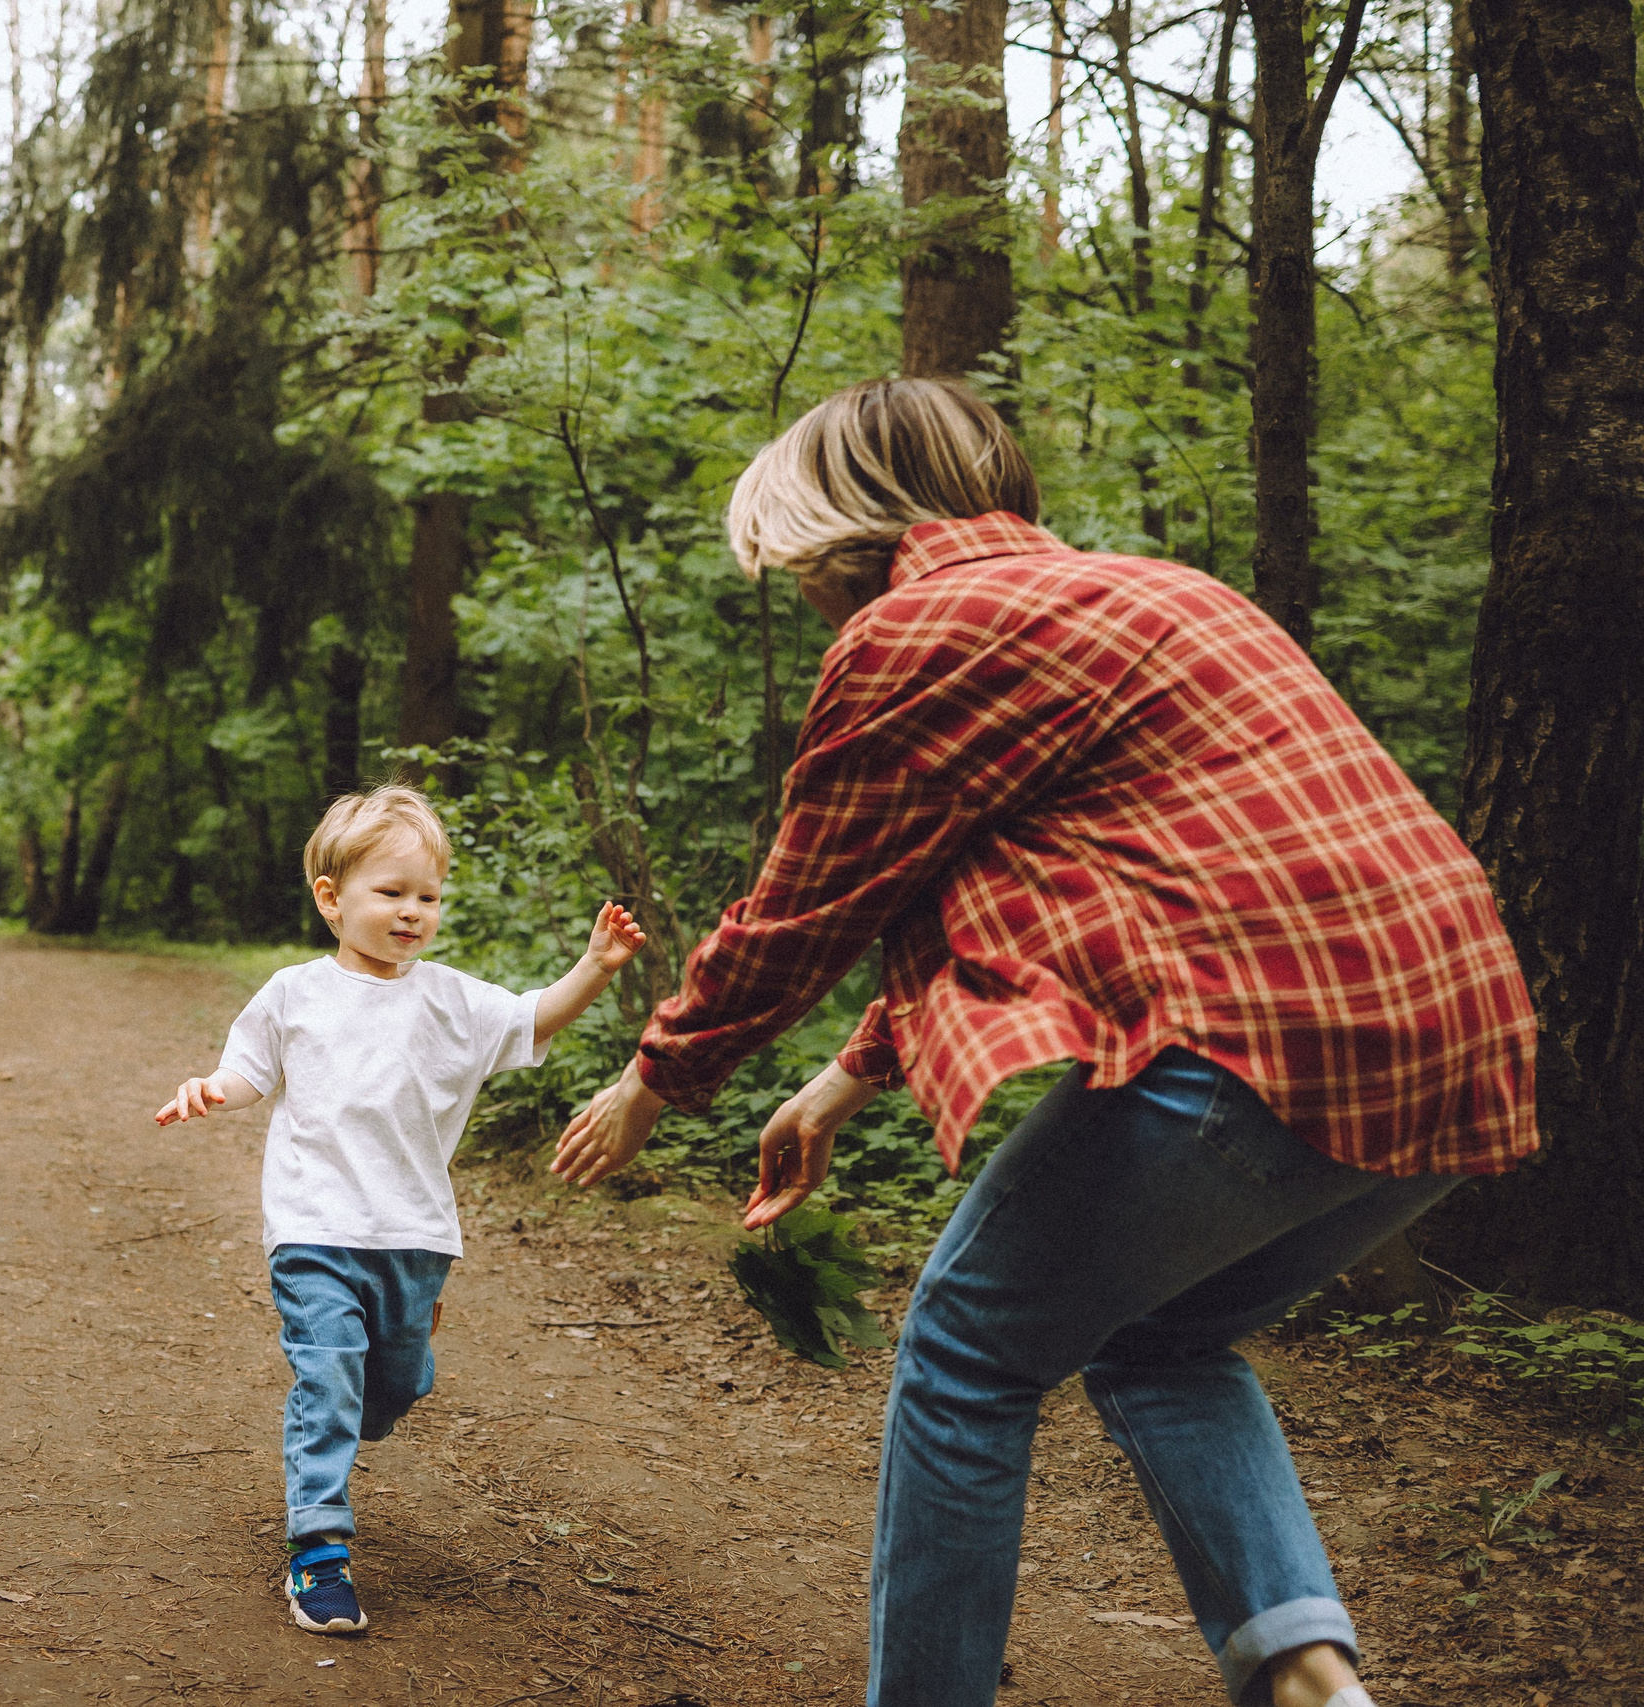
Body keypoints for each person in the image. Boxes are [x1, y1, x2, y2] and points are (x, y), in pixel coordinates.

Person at [548, 378, 1536, 1707]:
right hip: (1458, 1034)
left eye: (787, 563)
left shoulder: (911, 632)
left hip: (1249, 1042)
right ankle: (1314, 1684)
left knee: (965, 1350)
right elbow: (1063, 886)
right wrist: (845, 1082)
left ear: (836, 529)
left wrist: (650, 1078)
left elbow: (804, 909)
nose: (795, 592)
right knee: (1158, 1339)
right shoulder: (1157, 592)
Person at [154, 782, 648, 1636]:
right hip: (314, 1228)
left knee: (389, 1382)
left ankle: (404, 1357)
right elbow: (249, 1070)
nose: (413, 911)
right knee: (329, 1376)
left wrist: (595, 967)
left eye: (428, 895)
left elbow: (533, 1018)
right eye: (392, 892)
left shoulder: (451, 1000)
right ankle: (319, 1552)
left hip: (414, 1233)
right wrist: (212, 1090)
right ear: (331, 898)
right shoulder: (292, 994)